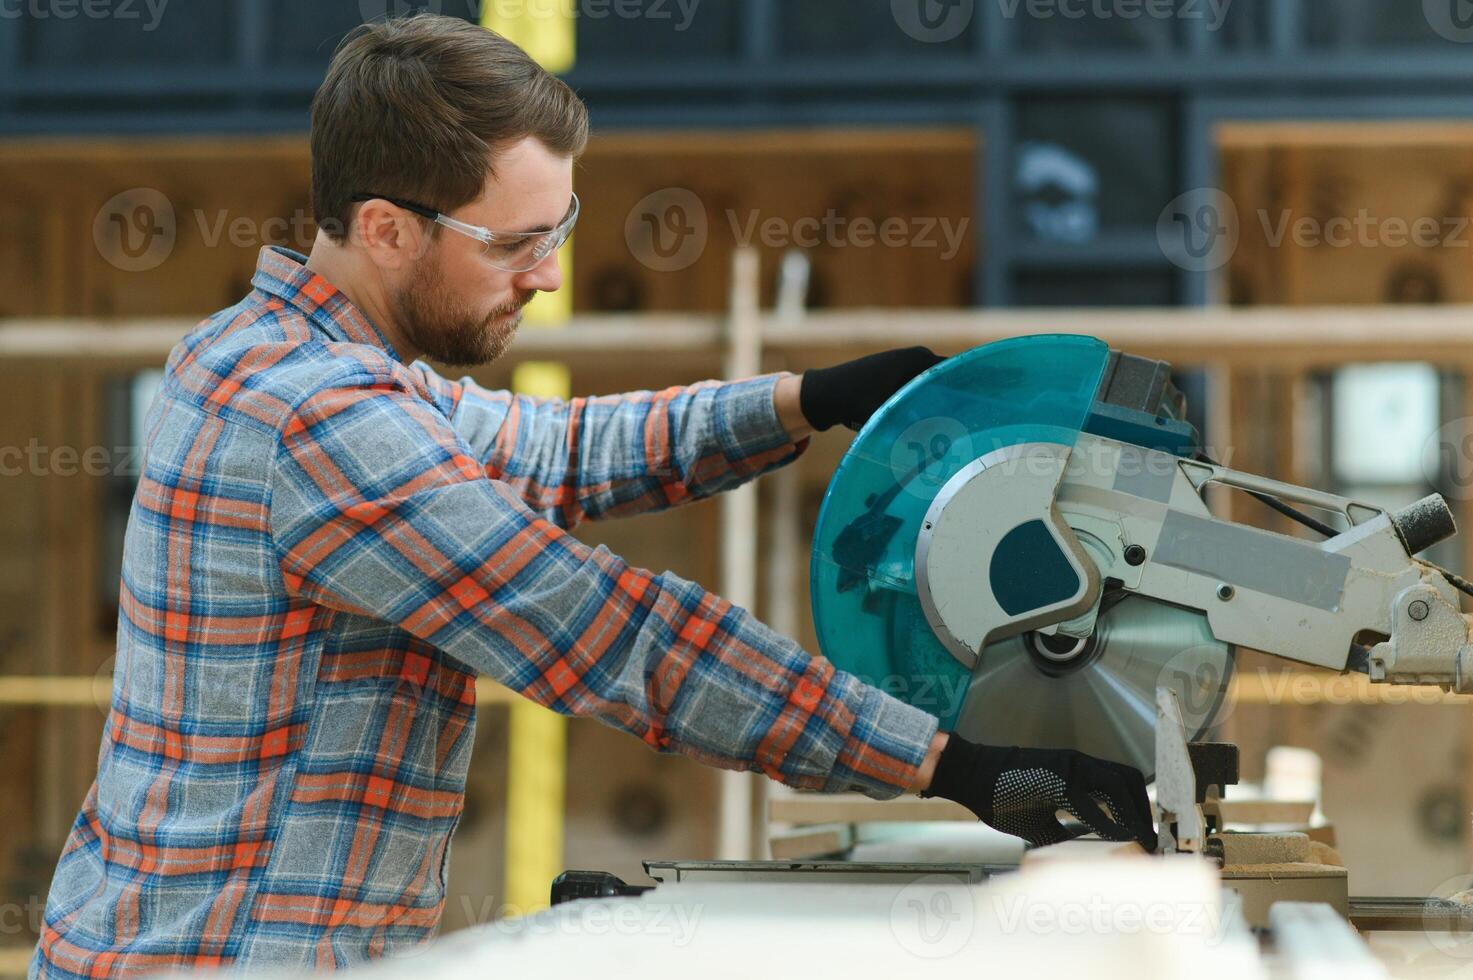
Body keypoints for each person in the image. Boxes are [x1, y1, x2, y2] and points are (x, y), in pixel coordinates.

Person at [31, 15, 1153, 977]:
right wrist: (946, 762)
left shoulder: (259, 353)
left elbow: (556, 447)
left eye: (559, 231)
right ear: (385, 228)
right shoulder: (324, 423)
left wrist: (805, 399)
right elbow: (612, 634)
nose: (551, 273)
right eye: (518, 243)